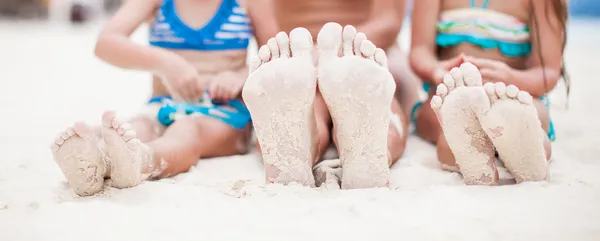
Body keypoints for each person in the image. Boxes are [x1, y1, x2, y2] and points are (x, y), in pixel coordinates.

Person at [50, 0, 277, 196]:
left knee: (187, 130)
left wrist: (241, 74)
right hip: (162, 105)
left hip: (222, 112)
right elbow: (105, 43)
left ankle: (143, 160)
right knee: (139, 127)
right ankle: (96, 162)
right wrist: (165, 63)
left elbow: (278, 57)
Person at [242, 0, 419, 189]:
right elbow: (389, 20)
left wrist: (329, 52)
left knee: (314, 107)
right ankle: (374, 156)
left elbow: (388, 24)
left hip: (363, 50)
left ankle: (299, 151)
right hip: (300, 61)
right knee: (377, 109)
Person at [410, 0, 568, 185]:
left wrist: (511, 77)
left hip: (513, 92)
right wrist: (437, 71)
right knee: (437, 117)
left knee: (533, 113)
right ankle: (468, 151)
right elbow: (420, 50)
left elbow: (547, 72)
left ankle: (528, 150)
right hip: (451, 92)